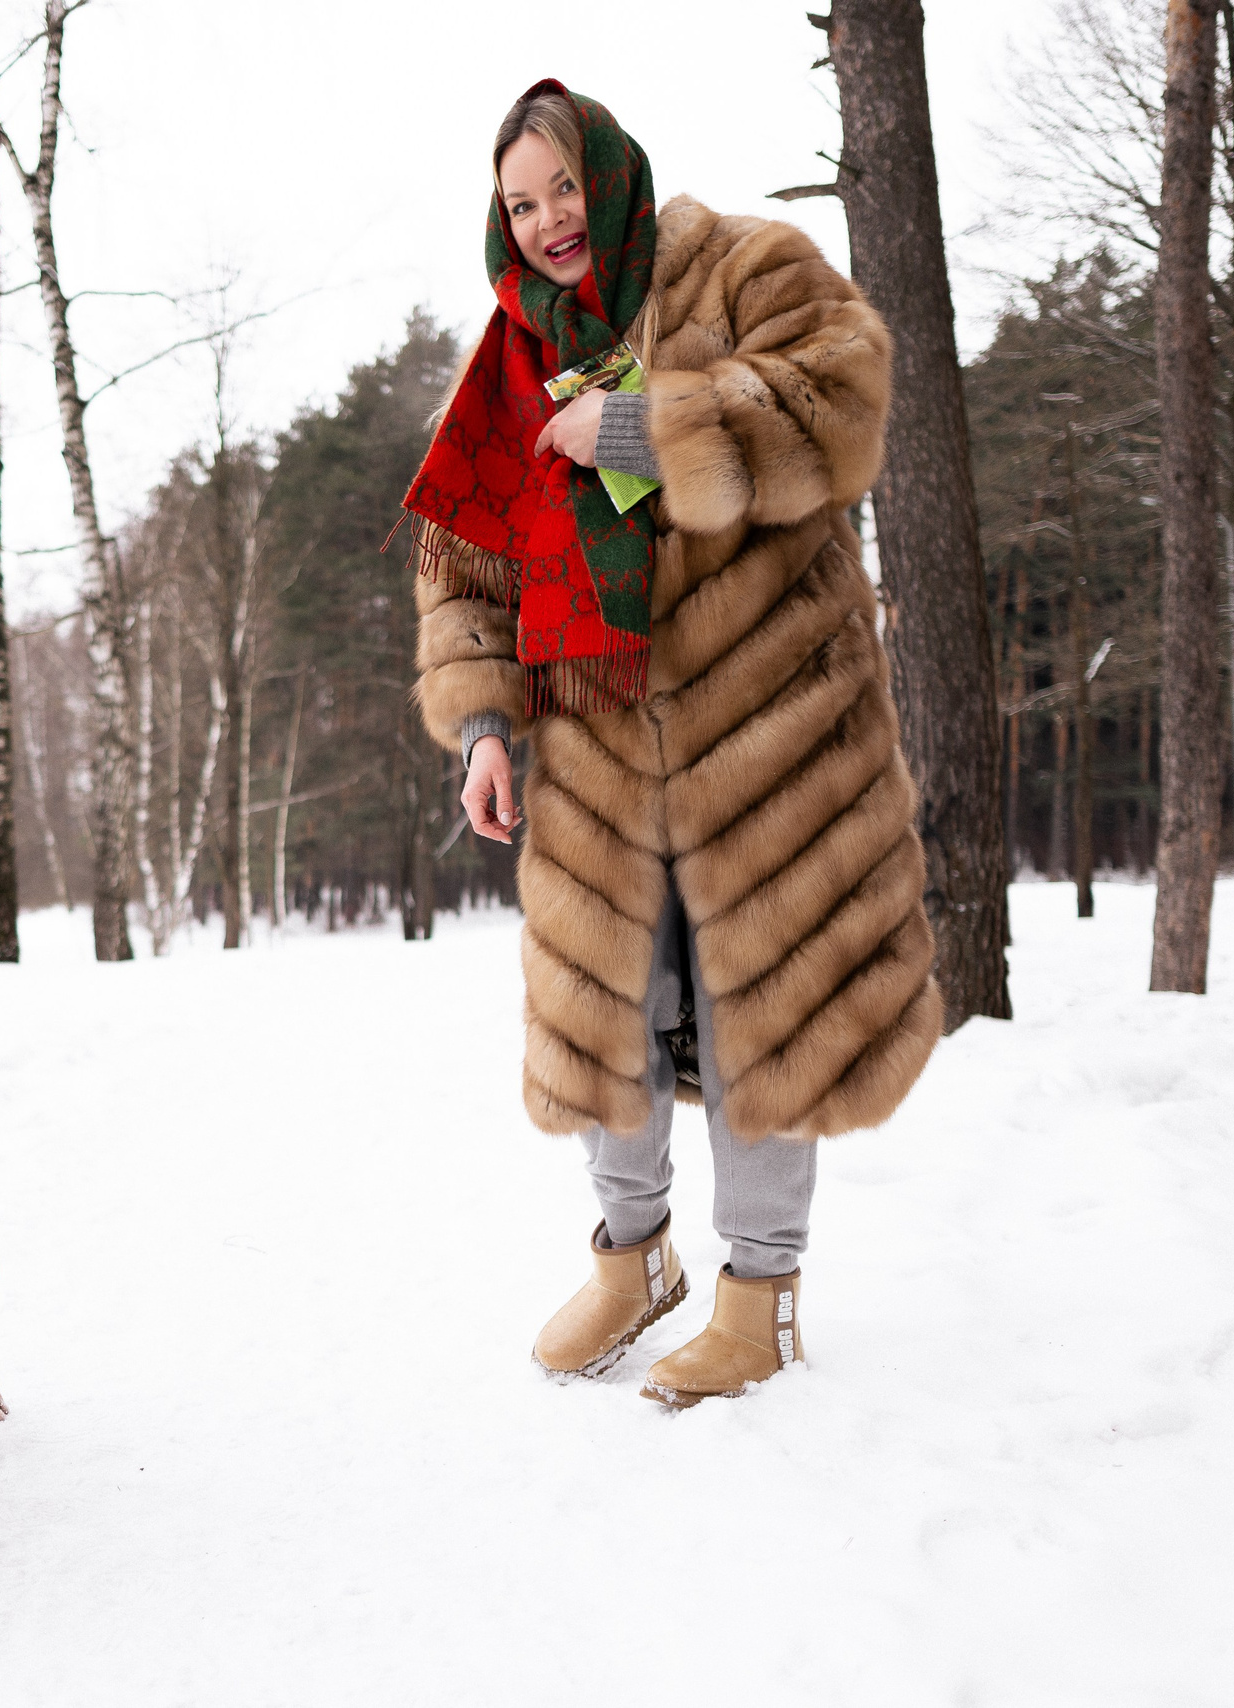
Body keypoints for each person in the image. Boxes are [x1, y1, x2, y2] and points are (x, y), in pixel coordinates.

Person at [404, 79, 942, 1407]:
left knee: (767, 1007)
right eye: (519, 203)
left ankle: (761, 1293)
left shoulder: (745, 263)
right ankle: (633, 1259)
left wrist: (648, 421)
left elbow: (846, 398)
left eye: (563, 190)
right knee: (608, 1016)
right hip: (593, 735)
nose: (545, 223)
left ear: (611, 172)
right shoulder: (510, 354)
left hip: (773, 732)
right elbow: (465, 562)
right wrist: (481, 726)